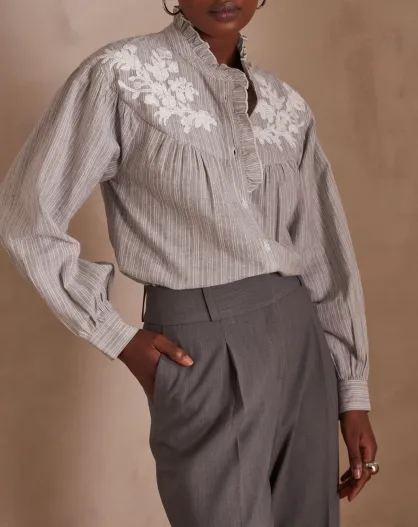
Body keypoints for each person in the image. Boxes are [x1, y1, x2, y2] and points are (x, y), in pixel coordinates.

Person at [0, 0, 379, 525]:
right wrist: (117, 337)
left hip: (303, 343)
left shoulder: (287, 107)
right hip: (201, 347)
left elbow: (324, 253)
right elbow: (26, 216)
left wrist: (352, 393)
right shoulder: (122, 77)